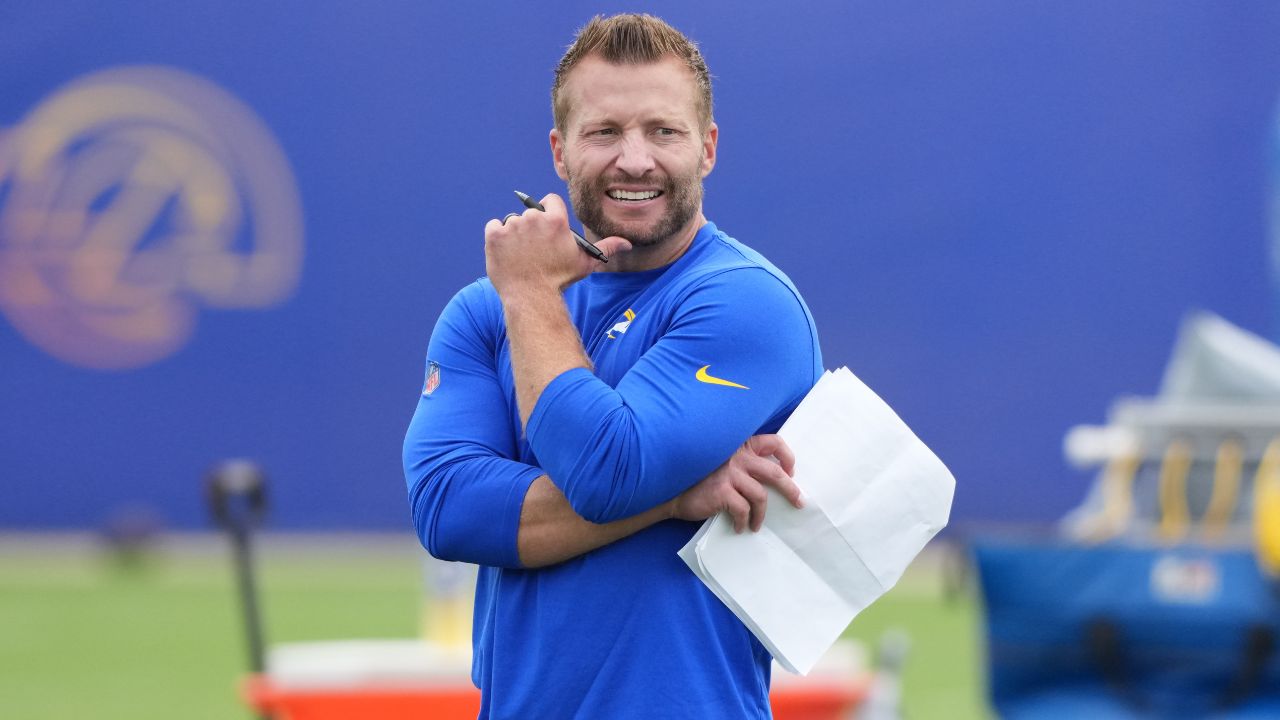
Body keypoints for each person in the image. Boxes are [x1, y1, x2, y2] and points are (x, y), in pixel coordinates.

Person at [403, 13, 822, 719]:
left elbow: (606, 472)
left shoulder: (748, 301)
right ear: (560, 152)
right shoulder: (483, 312)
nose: (635, 159)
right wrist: (676, 495)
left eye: (664, 131)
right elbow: (449, 511)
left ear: (708, 148)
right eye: (605, 132)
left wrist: (532, 290)